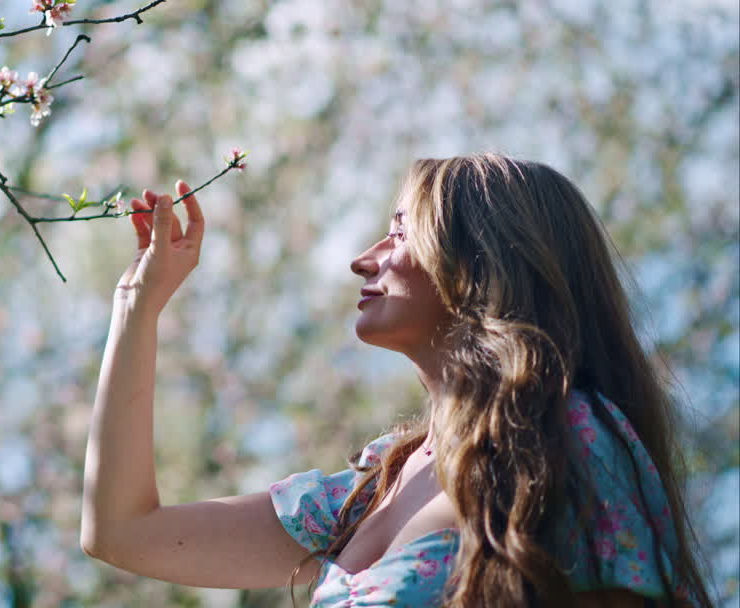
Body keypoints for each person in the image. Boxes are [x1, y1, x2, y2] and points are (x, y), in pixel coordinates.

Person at [80, 154, 714, 607]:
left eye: (398, 231)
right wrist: (138, 306)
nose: (363, 259)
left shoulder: (570, 433)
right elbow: (123, 533)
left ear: (479, 260)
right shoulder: (369, 490)